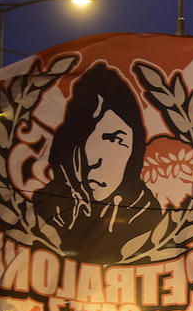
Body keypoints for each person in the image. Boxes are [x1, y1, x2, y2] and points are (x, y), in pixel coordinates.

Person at [32, 63, 162, 263]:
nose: (94, 160)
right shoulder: (40, 212)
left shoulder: (150, 219)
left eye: (114, 139)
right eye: (83, 138)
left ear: (134, 152)